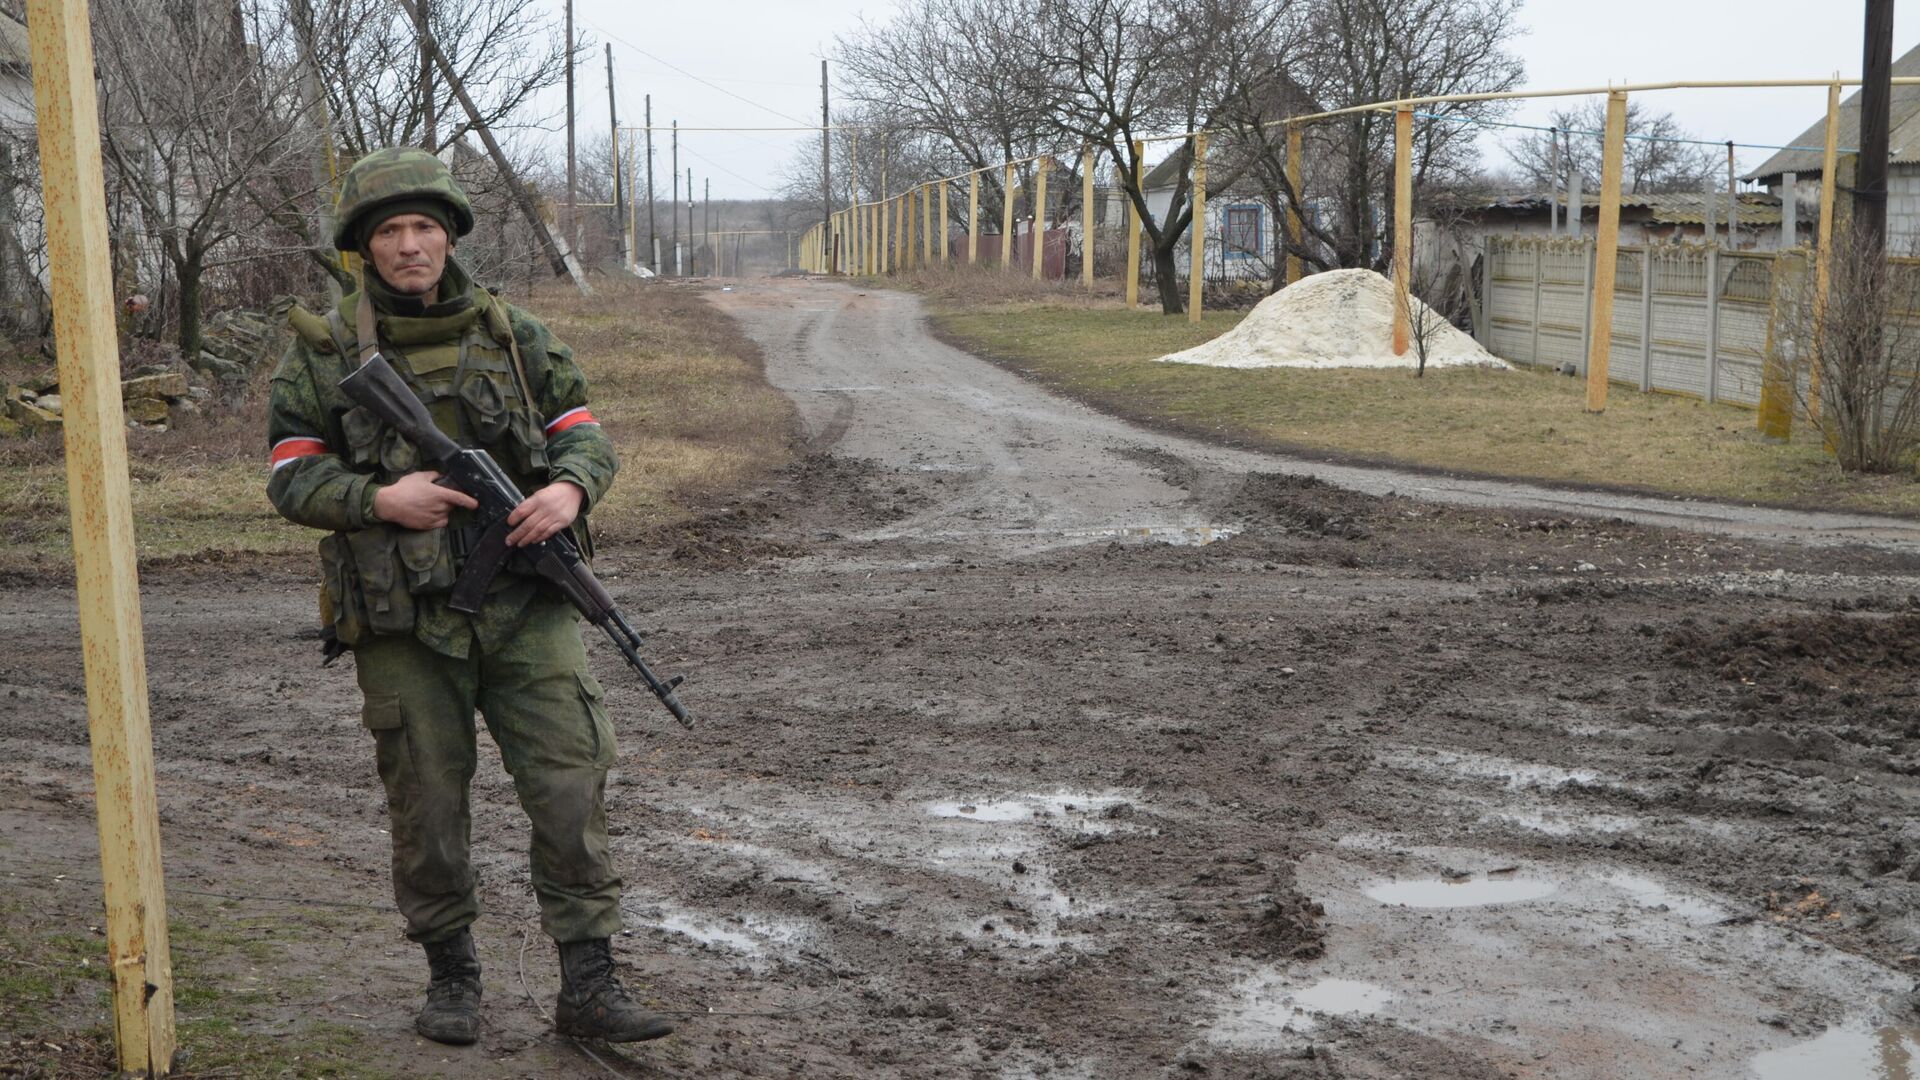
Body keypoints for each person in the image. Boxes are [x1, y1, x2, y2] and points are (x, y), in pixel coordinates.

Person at [265, 147, 672, 1046]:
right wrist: (380, 499)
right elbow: (292, 478)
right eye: (390, 232)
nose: (410, 246)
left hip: (527, 606)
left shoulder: (515, 334)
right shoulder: (324, 349)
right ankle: (452, 976)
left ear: (449, 236)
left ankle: (590, 984)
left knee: (571, 784)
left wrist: (568, 490)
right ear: (363, 248)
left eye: (424, 228)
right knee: (428, 803)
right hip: (405, 621)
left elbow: (584, 436)